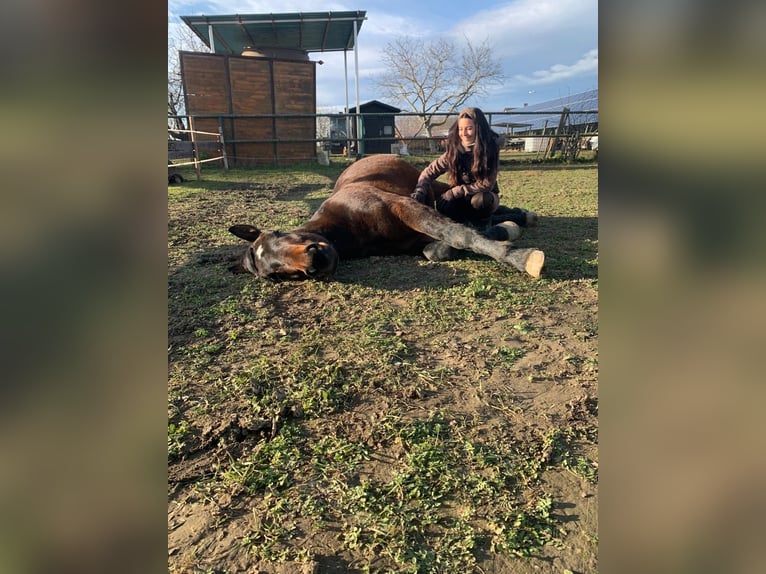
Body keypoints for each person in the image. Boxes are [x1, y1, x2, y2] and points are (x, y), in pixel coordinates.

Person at [411, 107, 536, 234]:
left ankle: (514, 219)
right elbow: (430, 171)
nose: (464, 133)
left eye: (469, 128)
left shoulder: (490, 150)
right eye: (460, 129)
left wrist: (455, 191)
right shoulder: (454, 151)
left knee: (480, 201)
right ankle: (506, 214)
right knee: (443, 205)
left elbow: (487, 184)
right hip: (462, 198)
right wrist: (420, 189)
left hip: (484, 195)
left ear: (478, 129)